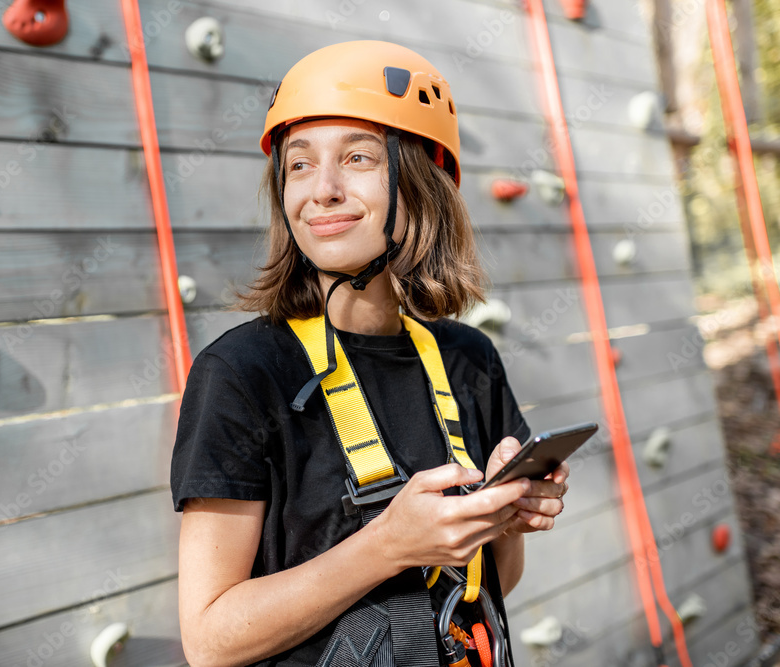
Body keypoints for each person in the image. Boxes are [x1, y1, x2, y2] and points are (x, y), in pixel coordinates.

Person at [170, 41, 569, 667]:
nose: (322, 190)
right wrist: (387, 544)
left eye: (357, 157)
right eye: (299, 166)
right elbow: (210, 640)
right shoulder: (245, 374)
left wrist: (503, 520)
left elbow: (489, 588)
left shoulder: (468, 359)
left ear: (421, 181)